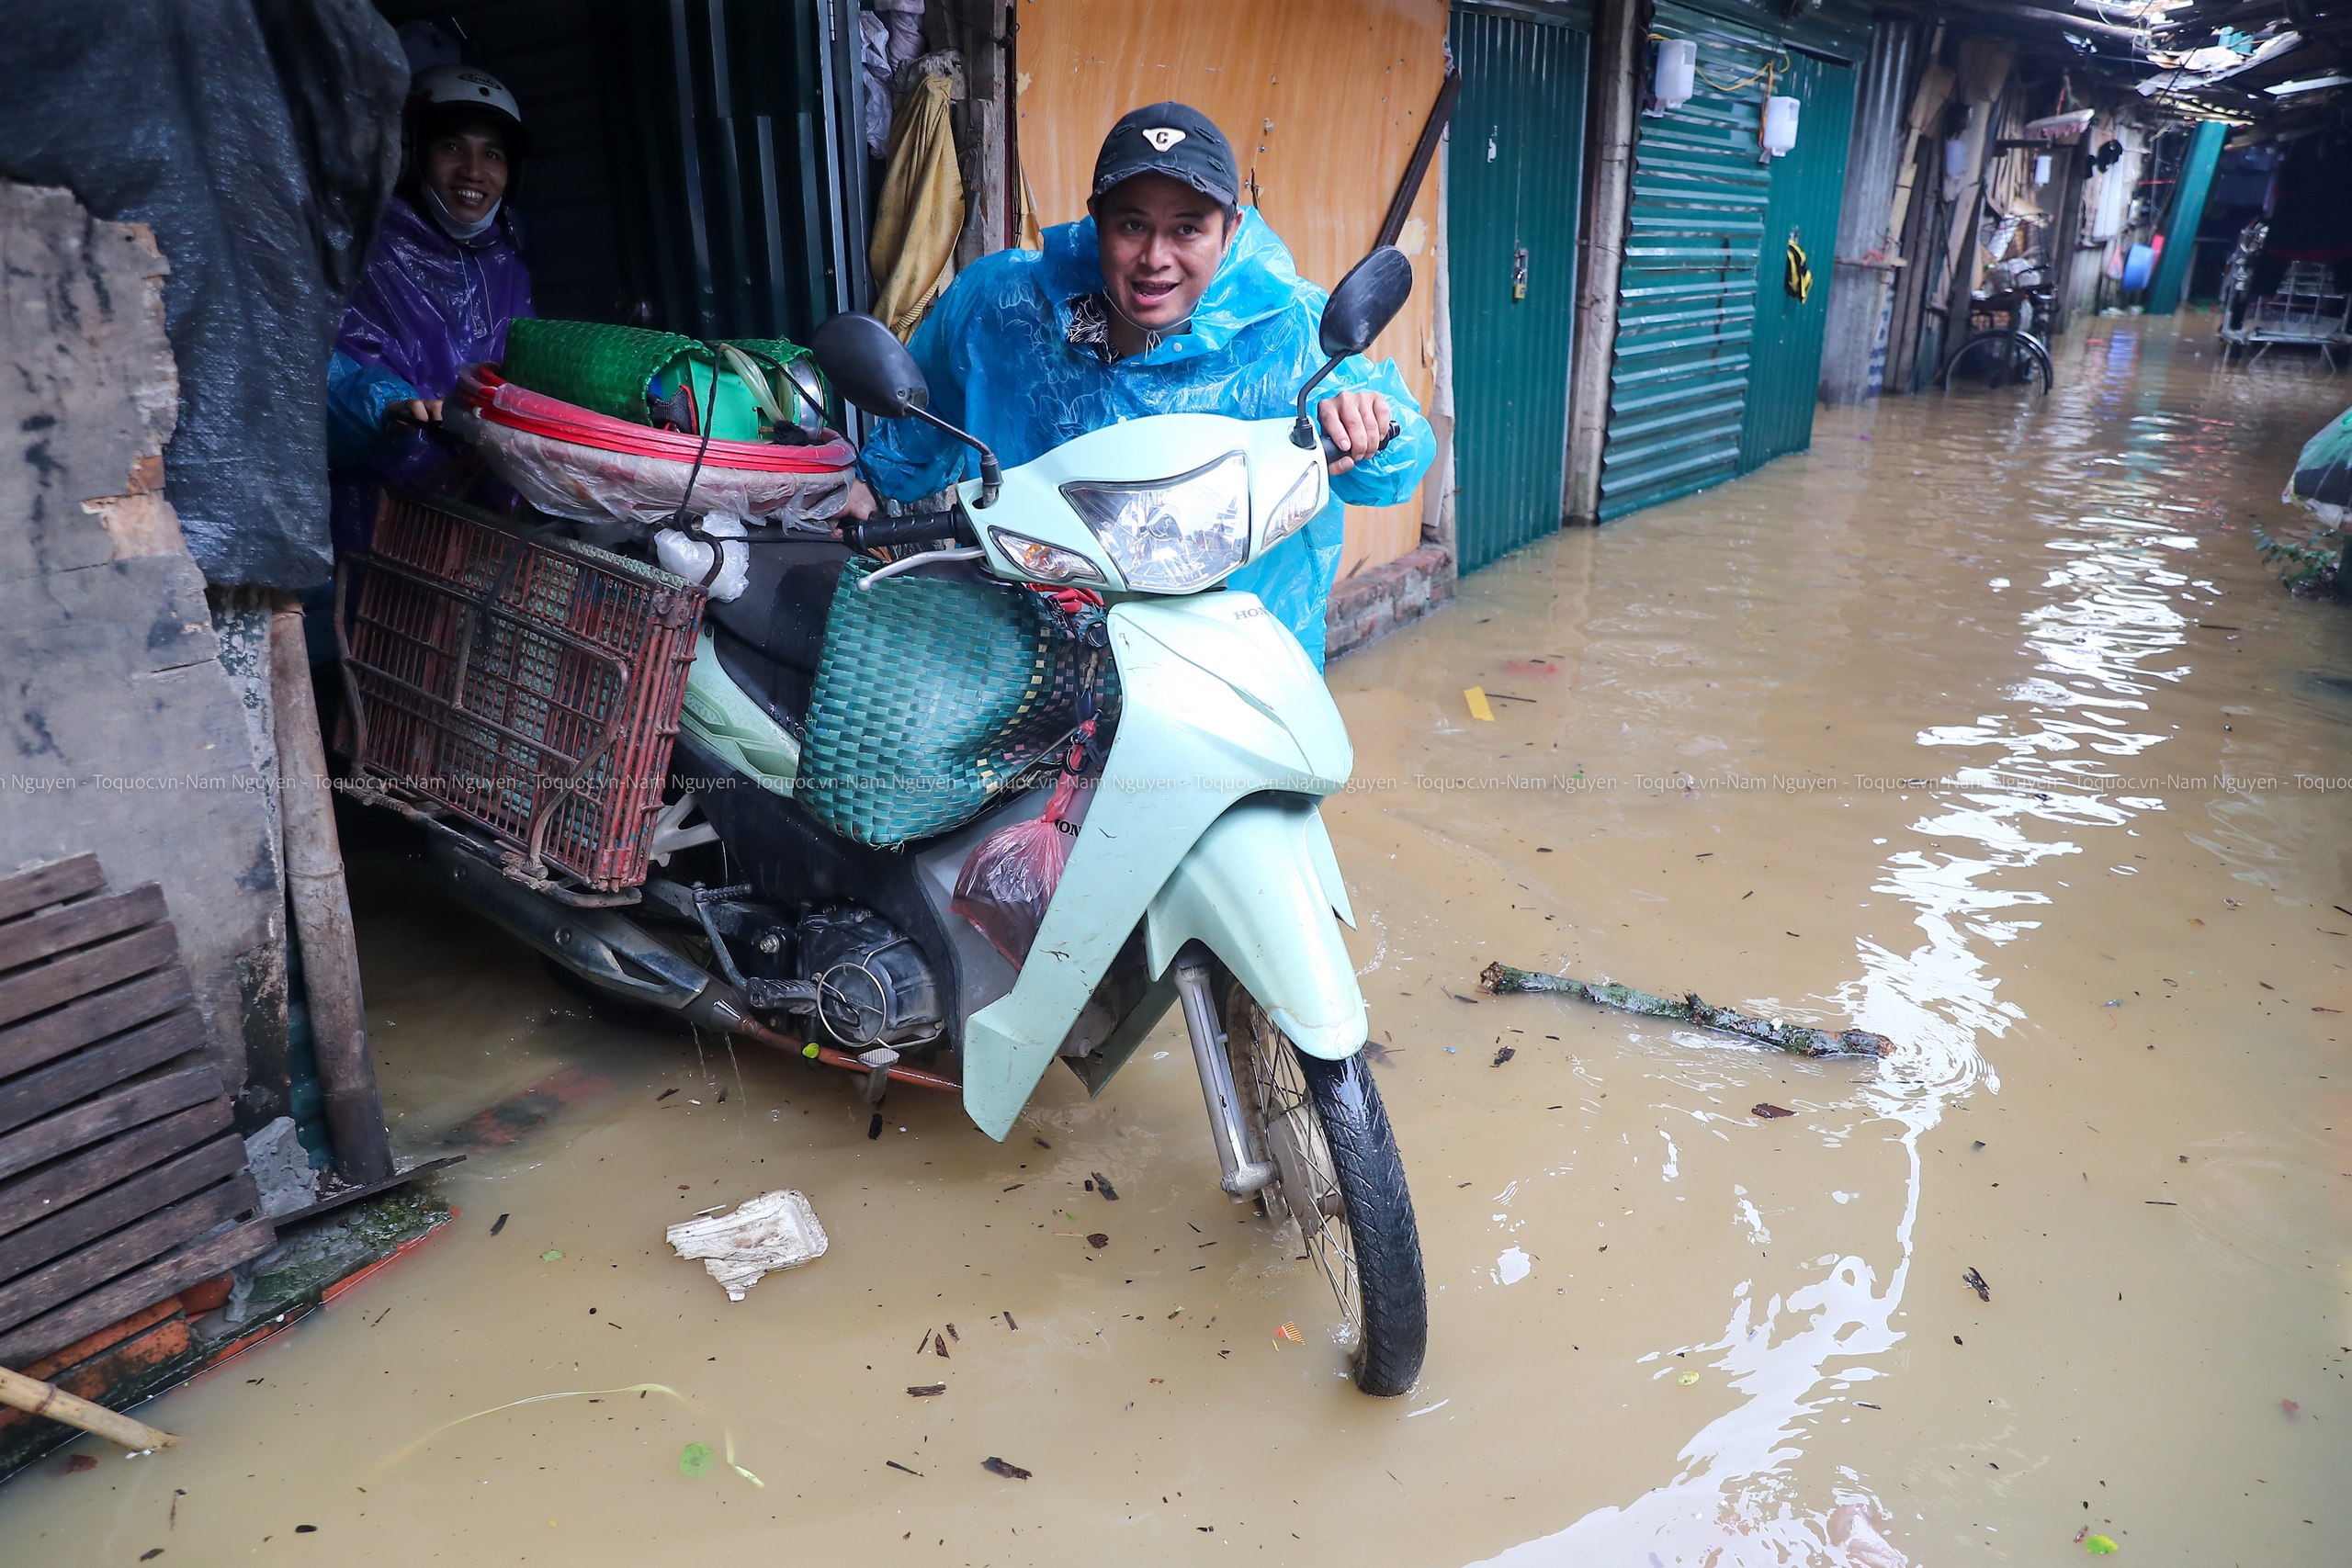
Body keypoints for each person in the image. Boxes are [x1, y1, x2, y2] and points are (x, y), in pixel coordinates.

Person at [856, 102, 1434, 667]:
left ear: (1231, 229)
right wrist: (861, 487)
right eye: (1133, 225)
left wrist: (1368, 423)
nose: (1156, 258)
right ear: (1097, 218)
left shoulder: (1291, 330)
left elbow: (1399, 459)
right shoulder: (999, 306)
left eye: (1188, 228)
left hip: (1233, 666)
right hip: (1027, 662)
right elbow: (915, 432)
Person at [325, 64, 535, 553]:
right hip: (382, 518)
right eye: (452, 147)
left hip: (485, 523)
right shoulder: (361, 251)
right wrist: (388, 408)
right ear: (413, 154)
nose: (473, 171)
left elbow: (528, 379)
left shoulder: (510, 268)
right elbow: (313, 375)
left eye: (493, 154)